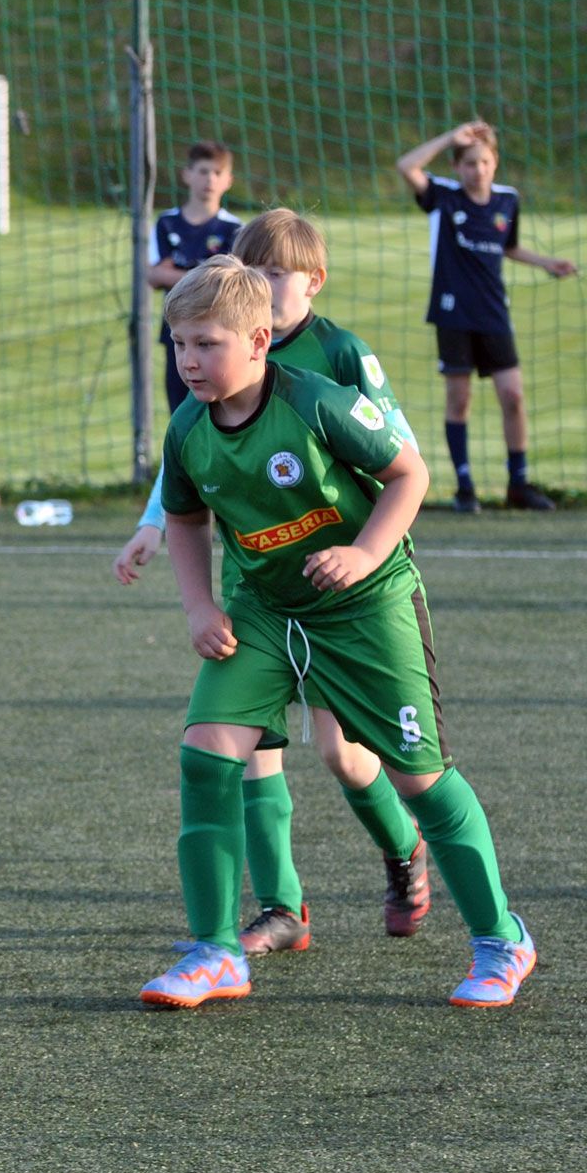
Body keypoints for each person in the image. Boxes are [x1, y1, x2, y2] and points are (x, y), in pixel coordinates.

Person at [142, 255, 535, 1010]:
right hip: (267, 611)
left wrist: (362, 554)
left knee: (418, 779)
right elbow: (186, 519)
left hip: (366, 606)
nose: (188, 360)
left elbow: (410, 475)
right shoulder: (188, 425)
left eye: (207, 344)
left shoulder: (317, 400)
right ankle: (217, 952)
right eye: (179, 344)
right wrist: (198, 606)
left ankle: (500, 939)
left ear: (259, 341)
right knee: (206, 756)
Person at [114, 210, 430, 955]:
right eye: (250, 270)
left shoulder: (336, 356)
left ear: (311, 283)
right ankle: (281, 905)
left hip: (342, 589)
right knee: (246, 743)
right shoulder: (212, 350)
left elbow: (397, 452)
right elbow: (192, 462)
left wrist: (365, 550)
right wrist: (154, 522)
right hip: (259, 589)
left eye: (275, 274)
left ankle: (403, 847)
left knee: (341, 752)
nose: (261, 283)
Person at [396, 120, 577, 512]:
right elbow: (406, 166)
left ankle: (518, 484)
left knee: (513, 396)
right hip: (452, 312)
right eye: (469, 162)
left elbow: (507, 247)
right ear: (457, 166)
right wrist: (450, 138)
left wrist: (547, 262)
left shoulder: (507, 200)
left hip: (494, 312)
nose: (477, 170)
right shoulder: (444, 196)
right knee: (459, 400)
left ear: (495, 163)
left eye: (484, 162)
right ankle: (465, 487)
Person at [148, 141, 243, 411]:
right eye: (203, 171)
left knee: (221, 407)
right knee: (181, 410)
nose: (209, 179)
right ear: (187, 175)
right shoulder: (166, 223)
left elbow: (232, 282)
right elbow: (155, 275)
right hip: (177, 331)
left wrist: (176, 275)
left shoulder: (234, 229)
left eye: (217, 172)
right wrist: (210, 277)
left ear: (228, 180)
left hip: (219, 331)